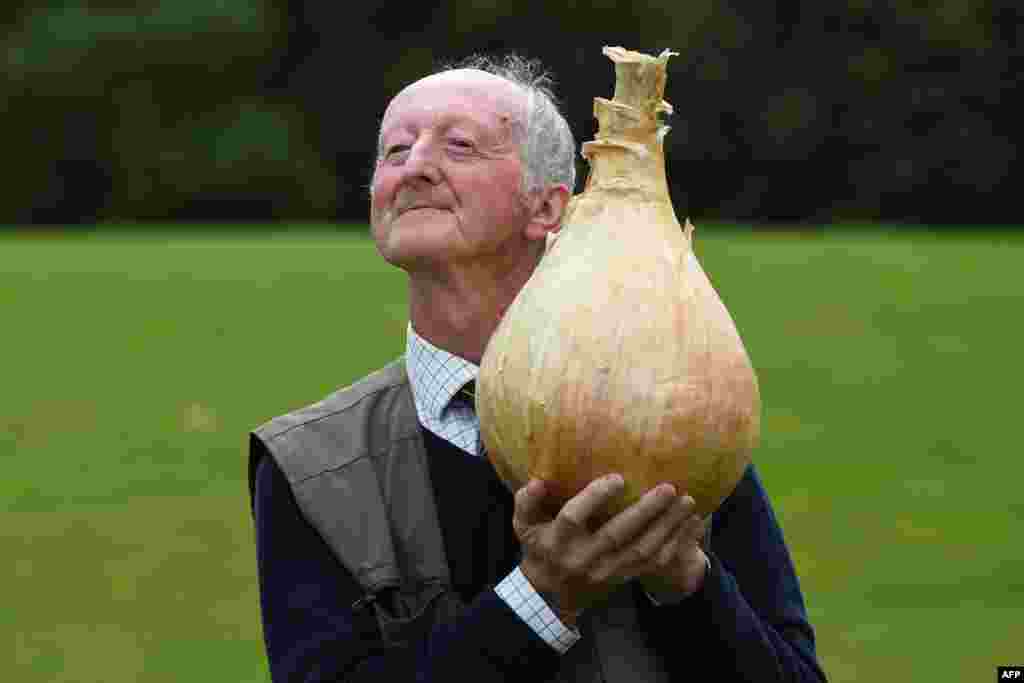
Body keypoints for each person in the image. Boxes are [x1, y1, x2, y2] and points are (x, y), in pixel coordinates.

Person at [248, 54, 827, 683]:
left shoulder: (685, 412)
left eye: (459, 146)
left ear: (548, 208)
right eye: (394, 151)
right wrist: (539, 599)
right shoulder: (309, 463)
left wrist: (685, 581)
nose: (414, 166)